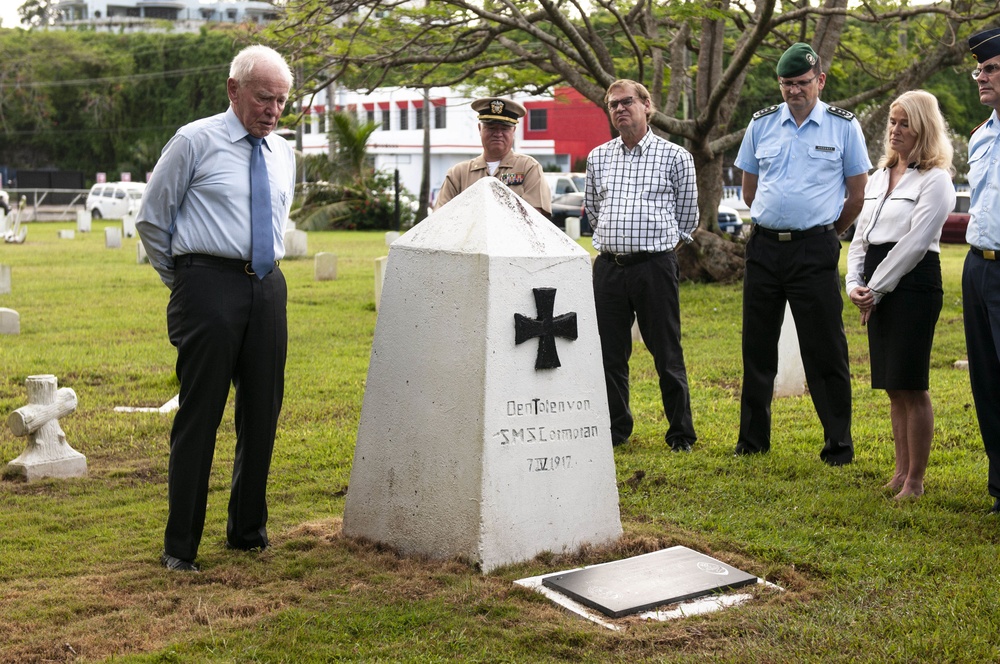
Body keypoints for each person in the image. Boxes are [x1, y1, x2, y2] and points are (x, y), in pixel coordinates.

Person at [136, 44, 296, 571]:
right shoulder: (194, 141)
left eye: (280, 101)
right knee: (200, 416)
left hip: (267, 288)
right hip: (208, 286)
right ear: (233, 90)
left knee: (262, 414)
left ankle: (247, 531)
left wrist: (261, 280)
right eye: (263, 98)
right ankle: (180, 547)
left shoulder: (283, 153)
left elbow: (276, 224)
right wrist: (187, 282)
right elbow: (153, 220)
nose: (272, 110)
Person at [733, 43, 871, 465]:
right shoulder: (761, 124)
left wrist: (829, 232)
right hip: (764, 248)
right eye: (787, 84)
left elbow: (857, 193)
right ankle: (753, 442)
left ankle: (838, 446)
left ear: (820, 80)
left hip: (814, 249)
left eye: (802, 82)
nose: (794, 90)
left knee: (824, 349)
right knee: (757, 347)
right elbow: (749, 189)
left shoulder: (843, 127)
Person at [845, 90, 955, 499]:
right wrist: (854, 283)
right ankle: (899, 469)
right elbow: (860, 239)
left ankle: (915, 480)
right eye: (892, 121)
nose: (894, 130)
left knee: (911, 381)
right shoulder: (878, 176)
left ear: (922, 128)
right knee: (892, 384)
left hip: (913, 283)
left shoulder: (936, 179)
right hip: (876, 282)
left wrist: (874, 288)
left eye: (904, 123)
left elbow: (914, 243)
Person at [585, 79, 698, 451]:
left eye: (626, 102)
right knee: (609, 353)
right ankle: (617, 429)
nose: (619, 109)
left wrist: (657, 247)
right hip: (608, 269)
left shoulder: (676, 157)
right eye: (613, 104)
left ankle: (680, 433)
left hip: (654, 268)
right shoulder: (598, 157)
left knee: (666, 351)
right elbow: (595, 212)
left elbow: (687, 218)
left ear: (646, 105)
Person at [964, 28, 1000, 514]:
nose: (981, 78)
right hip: (978, 267)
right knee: (987, 383)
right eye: (979, 71)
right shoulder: (980, 135)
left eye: (990, 69)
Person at [433, 97, 551, 217]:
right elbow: (441, 217)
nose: (498, 134)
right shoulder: (458, 174)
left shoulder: (528, 168)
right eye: (491, 128)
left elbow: (534, 218)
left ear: (513, 131)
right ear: (480, 129)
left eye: (504, 128)